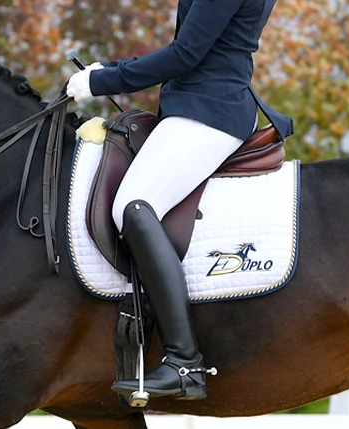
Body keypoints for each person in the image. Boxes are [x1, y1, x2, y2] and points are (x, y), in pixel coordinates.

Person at [65, 0, 289, 401]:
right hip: (201, 103)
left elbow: (185, 53)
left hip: (210, 110)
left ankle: (185, 361)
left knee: (133, 204)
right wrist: (107, 69)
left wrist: (104, 81)